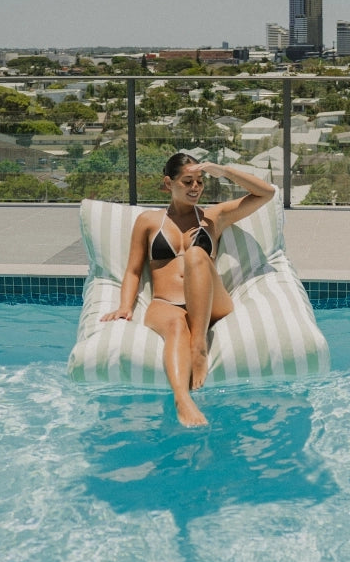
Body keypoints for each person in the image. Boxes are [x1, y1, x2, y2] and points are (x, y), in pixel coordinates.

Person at [101, 152, 275, 427]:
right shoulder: (148, 221)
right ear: (168, 183)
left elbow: (266, 194)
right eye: (187, 181)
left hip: (211, 304)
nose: (195, 187)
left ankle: (199, 346)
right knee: (177, 328)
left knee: (196, 255)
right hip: (165, 303)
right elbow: (133, 270)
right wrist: (125, 306)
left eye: (200, 181)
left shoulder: (213, 217)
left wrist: (224, 171)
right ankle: (183, 400)